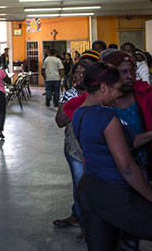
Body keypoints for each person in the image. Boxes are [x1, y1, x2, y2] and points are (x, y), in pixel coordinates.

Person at [72, 62, 152, 251]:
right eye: (116, 88)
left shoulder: (80, 113)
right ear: (103, 87)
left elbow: (112, 146)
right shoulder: (107, 118)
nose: (119, 94)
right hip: (114, 194)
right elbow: (126, 166)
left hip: (89, 189)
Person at [64, 50, 152, 195]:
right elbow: (68, 109)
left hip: (144, 169)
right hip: (107, 174)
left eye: (132, 71)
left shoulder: (146, 93)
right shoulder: (97, 97)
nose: (130, 76)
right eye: (123, 72)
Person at [53, 59, 93, 244]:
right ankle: (85, 227)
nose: (79, 76)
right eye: (76, 73)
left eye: (83, 73)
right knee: (80, 186)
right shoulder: (69, 95)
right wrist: (79, 103)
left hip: (96, 147)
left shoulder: (101, 93)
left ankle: (82, 218)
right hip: (75, 148)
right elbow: (60, 121)